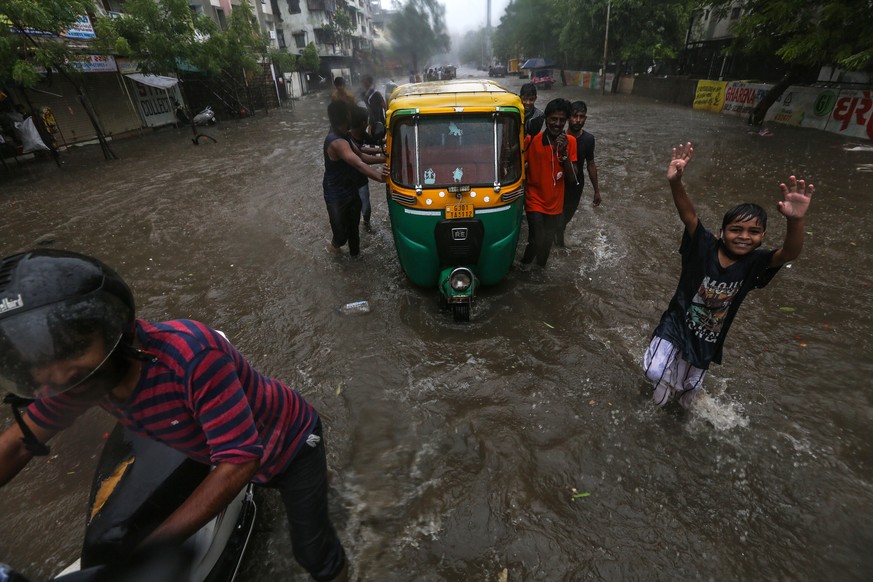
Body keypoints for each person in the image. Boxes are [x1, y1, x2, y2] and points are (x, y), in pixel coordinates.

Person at [0, 249, 351, 581]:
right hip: (244, 449)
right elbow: (17, 445)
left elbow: (241, 460)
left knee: (312, 552)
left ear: (112, 330)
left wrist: (152, 548)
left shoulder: (191, 356)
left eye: (72, 349)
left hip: (291, 443)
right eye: (39, 364)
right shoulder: (81, 380)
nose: (58, 377)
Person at [643, 142, 813, 408]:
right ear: (722, 232)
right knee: (655, 376)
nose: (744, 236)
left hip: (707, 339)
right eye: (736, 229)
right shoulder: (703, 246)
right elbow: (688, 216)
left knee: (686, 401)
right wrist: (676, 182)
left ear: (762, 238)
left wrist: (796, 220)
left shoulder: (756, 263)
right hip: (676, 325)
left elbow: (789, 253)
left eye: (753, 232)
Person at [323, 100, 388, 256]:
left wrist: (386, 157)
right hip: (336, 195)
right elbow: (358, 163)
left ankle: (355, 259)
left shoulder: (345, 136)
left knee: (354, 232)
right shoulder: (336, 142)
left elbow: (362, 155)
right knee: (341, 236)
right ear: (346, 115)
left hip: (351, 190)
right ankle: (332, 249)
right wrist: (380, 177)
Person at [519, 98, 577, 268]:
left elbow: (573, 178)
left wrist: (564, 152)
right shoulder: (532, 141)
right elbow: (517, 165)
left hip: (555, 204)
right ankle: (523, 269)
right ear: (546, 119)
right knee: (537, 239)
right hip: (534, 200)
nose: (557, 124)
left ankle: (536, 274)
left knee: (546, 247)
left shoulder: (570, 142)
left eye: (561, 120)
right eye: (553, 119)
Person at [555, 100, 601, 247]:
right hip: (558, 182)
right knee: (557, 218)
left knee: (566, 217)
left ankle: (558, 241)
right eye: (575, 116)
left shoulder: (588, 139)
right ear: (568, 117)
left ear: (585, 119)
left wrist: (596, 191)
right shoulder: (558, 136)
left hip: (576, 184)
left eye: (581, 117)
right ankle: (559, 245)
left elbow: (591, 165)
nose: (578, 120)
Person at [349, 106, 383, 232]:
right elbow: (362, 154)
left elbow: (375, 142)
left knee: (366, 208)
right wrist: (383, 156)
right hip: (349, 181)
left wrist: (383, 146)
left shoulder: (363, 135)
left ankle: (366, 224)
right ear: (364, 123)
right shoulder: (348, 140)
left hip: (361, 178)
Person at [359, 75, 386, 141]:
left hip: (379, 118)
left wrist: (387, 117)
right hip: (371, 118)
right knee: (371, 136)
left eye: (365, 82)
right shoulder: (363, 94)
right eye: (363, 82)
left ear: (369, 82)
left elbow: (384, 105)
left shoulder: (376, 93)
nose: (363, 84)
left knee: (380, 136)